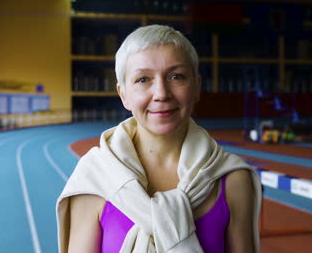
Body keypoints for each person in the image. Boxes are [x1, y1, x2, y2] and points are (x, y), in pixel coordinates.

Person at [57, 25, 262, 253]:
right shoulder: (94, 179)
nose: (162, 93)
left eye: (176, 76)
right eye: (143, 79)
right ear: (123, 94)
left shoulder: (232, 180)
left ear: (196, 87)